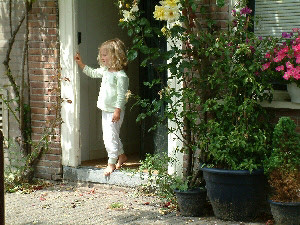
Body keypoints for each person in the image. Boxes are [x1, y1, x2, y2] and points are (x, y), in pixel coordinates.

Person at [75, 38, 129, 176]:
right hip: (105, 110)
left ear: (115, 56)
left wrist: (118, 110)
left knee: (109, 138)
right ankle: (121, 156)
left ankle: (111, 163)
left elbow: (121, 96)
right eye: (101, 54)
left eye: (105, 54)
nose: (101, 57)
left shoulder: (121, 76)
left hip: (114, 111)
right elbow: (93, 73)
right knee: (112, 135)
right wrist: (81, 64)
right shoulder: (105, 71)